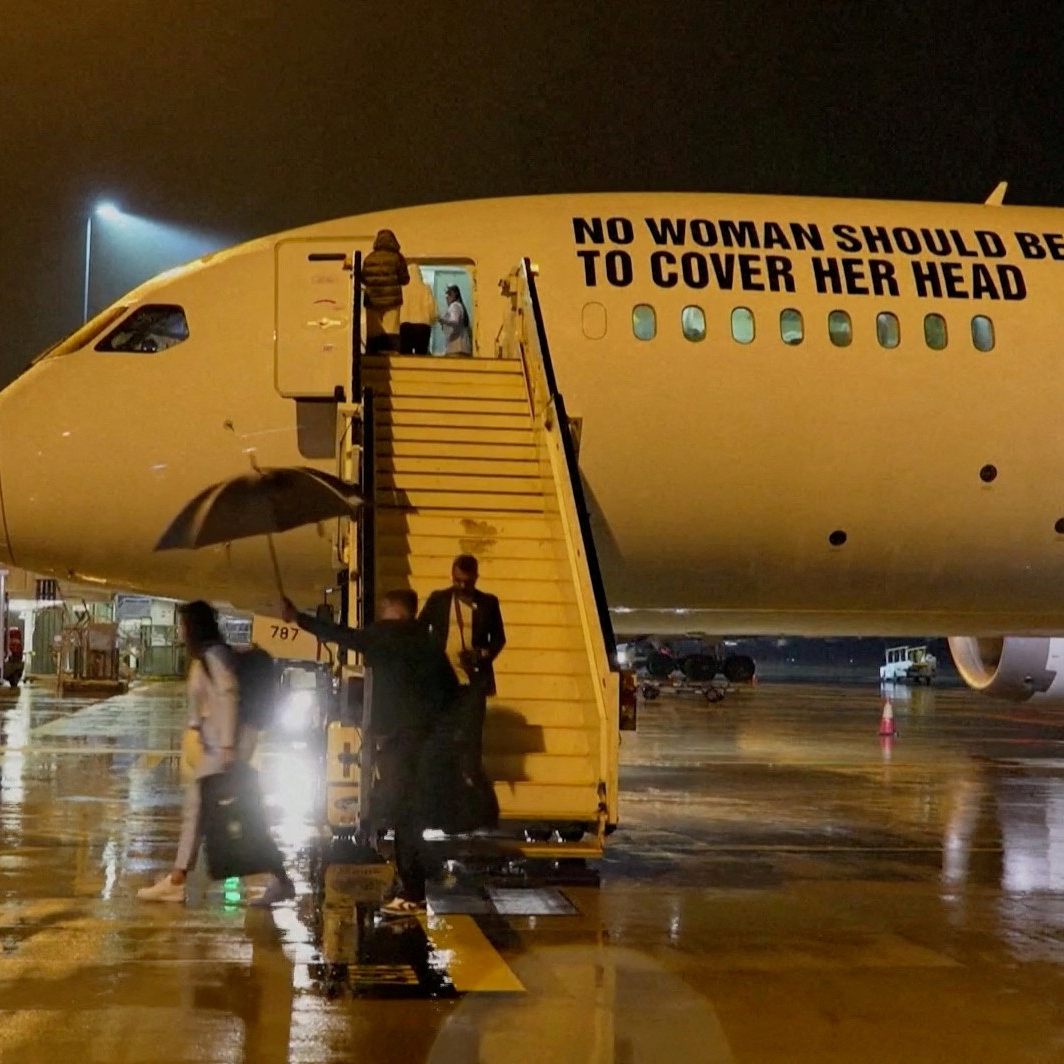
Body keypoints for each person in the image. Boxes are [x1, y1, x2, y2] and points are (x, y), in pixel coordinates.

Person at [281, 589, 458, 916]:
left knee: (400, 812)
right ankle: (414, 879)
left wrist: (299, 619)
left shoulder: (384, 637)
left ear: (394, 608)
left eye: (384, 605)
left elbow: (342, 636)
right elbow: (451, 691)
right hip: (426, 740)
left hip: (395, 740)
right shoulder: (429, 643)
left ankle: (414, 891)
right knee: (410, 815)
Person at [138, 600, 295, 906]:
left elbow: (227, 694)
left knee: (228, 813)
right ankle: (180, 877)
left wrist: (225, 745)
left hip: (223, 748)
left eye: (184, 626)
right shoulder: (209, 656)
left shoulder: (213, 656)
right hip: (217, 744)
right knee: (214, 811)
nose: (181, 632)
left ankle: (179, 879)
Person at [418, 555, 505, 779]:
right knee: (439, 730)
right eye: (458, 581)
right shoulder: (439, 599)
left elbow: (498, 639)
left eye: (467, 582)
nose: (462, 586)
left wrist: (482, 654)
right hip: (442, 678)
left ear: (476, 578)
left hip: (473, 679)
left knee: (472, 734)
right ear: (452, 576)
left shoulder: (488, 603)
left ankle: (469, 778)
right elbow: (420, 627)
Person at [360, 228, 409, 353]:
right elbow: (405, 279)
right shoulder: (398, 257)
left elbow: (363, 279)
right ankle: (391, 357)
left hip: (372, 301)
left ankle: (373, 357)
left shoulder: (369, 258)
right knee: (391, 330)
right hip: (392, 301)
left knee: (374, 331)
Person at [399, 264, 436, 355]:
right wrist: (432, 320)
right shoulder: (426, 288)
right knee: (421, 355)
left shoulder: (403, 288)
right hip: (423, 326)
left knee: (405, 355)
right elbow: (431, 308)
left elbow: (398, 307)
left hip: (405, 325)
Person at [438, 284, 472, 355]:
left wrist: (441, 320)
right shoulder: (460, 306)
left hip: (456, 347)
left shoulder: (455, 306)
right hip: (462, 347)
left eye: (449, 294)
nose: (447, 298)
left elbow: (455, 321)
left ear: (455, 295)